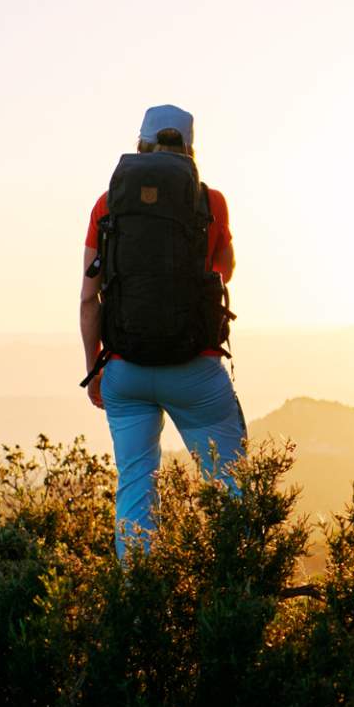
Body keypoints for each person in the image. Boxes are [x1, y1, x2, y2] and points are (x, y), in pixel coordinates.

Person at [79, 104, 246, 556]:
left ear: (141, 145)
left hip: (124, 368)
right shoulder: (210, 202)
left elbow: (87, 298)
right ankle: (235, 592)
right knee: (232, 487)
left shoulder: (106, 204)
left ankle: (139, 602)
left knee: (135, 486)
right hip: (194, 369)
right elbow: (223, 272)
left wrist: (94, 367)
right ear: (190, 150)